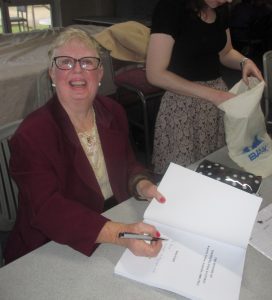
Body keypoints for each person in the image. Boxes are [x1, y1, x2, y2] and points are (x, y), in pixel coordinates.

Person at [4, 28, 166, 264]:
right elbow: (49, 210)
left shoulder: (113, 111)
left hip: (108, 218)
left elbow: (128, 163)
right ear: (52, 73)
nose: (77, 69)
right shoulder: (31, 135)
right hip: (49, 246)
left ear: (100, 73)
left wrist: (141, 184)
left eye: (87, 62)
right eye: (65, 62)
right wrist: (121, 233)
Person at [146, 0, 264, 175]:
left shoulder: (222, 10)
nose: (230, 1)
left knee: (218, 171)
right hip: (183, 106)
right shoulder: (171, 7)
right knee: (183, 179)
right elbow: (155, 74)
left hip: (218, 103)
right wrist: (213, 95)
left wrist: (244, 61)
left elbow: (225, 52)